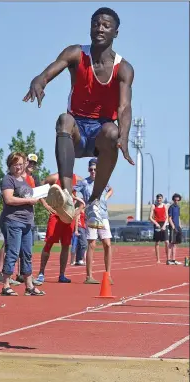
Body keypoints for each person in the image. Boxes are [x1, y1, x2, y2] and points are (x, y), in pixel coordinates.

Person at [23, 7, 134, 229]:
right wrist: (39, 81)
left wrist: (125, 135)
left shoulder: (124, 68)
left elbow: (124, 107)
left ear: (116, 33)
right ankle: (66, 196)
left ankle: (95, 201)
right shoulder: (75, 53)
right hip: (77, 130)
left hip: (101, 133)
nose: (99, 28)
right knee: (64, 119)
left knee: (113, 132)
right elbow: (48, 72)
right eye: (96, 24)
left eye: (106, 25)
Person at [0, 152, 45, 296]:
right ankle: (6, 284)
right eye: (15, 164)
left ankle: (29, 285)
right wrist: (28, 201)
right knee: (13, 252)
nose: (18, 167)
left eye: (21, 164)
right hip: (14, 220)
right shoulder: (8, 179)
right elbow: (9, 199)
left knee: (27, 254)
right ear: (10, 165)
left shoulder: (25, 181)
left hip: (27, 222)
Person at [36, 172, 83, 284]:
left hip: (68, 216)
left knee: (66, 245)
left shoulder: (77, 178)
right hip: (56, 215)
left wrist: (79, 209)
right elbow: (39, 189)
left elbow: (85, 193)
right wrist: (45, 204)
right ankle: (41, 273)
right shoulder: (54, 177)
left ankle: (62, 274)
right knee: (49, 244)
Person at [74, 159, 114, 284]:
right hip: (91, 215)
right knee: (92, 244)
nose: (93, 171)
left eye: (95, 169)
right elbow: (71, 191)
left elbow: (111, 190)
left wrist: (105, 199)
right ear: (88, 170)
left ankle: (108, 274)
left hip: (103, 215)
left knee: (107, 244)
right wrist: (80, 201)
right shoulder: (84, 183)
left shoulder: (103, 180)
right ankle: (89, 276)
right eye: (91, 169)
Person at [149, 194, 169, 264]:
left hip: (164, 224)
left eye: (160, 198)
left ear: (162, 199)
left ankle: (168, 259)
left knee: (167, 242)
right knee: (157, 242)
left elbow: (167, 217)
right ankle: (158, 259)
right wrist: (156, 223)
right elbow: (150, 217)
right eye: (158, 198)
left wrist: (164, 225)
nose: (159, 200)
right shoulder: (153, 206)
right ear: (156, 199)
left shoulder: (165, 206)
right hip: (157, 224)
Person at [167, 193, 183, 265]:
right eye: (175, 200)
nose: (177, 201)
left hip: (177, 227)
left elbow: (178, 217)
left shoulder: (178, 207)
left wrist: (179, 225)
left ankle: (173, 260)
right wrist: (173, 226)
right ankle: (168, 260)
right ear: (173, 200)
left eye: (178, 200)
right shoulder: (171, 207)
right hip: (172, 227)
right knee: (171, 243)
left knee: (175, 244)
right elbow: (169, 218)